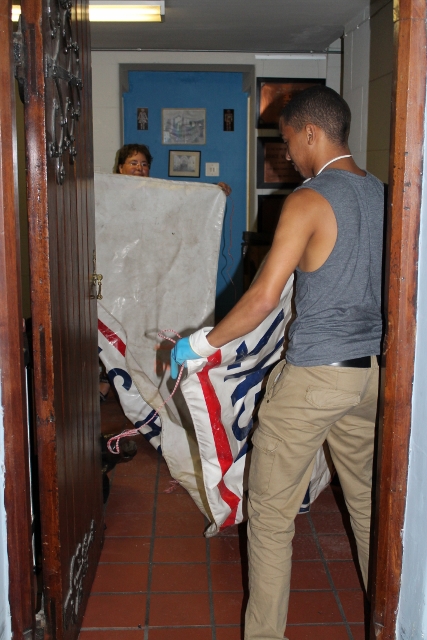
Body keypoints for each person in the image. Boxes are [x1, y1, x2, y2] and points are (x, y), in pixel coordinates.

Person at [170, 85, 384, 639]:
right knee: (368, 509)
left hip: (313, 379)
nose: (286, 153)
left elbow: (264, 297)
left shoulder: (310, 199)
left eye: (288, 140)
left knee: (268, 517)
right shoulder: (384, 194)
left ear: (312, 132)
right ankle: (390, 623)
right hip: (370, 377)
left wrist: (199, 344)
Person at [115, 143, 232, 195]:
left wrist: (215, 190)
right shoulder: (111, 192)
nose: (139, 168)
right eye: (133, 163)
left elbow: (187, 195)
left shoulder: (157, 191)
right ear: (120, 168)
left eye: (144, 164)